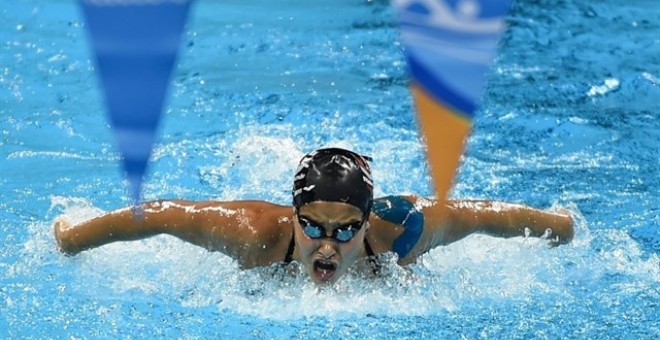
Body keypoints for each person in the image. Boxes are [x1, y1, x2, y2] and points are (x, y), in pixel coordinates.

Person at [54, 147, 574, 284]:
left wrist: (559, 226)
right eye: (314, 227)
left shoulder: (404, 234)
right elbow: (165, 214)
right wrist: (73, 237)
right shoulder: (257, 235)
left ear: (368, 222)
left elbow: (484, 215)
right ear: (295, 215)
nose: (327, 244)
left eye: (347, 229)